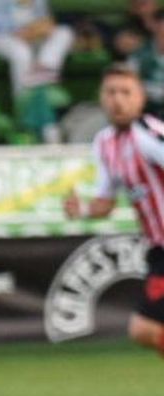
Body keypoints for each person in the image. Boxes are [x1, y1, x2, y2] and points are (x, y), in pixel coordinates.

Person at [64, 64, 164, 360]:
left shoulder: (149, 134)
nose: (118, 100)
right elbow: (105, 203)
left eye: (126, 92)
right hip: (158, 250)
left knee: (144, 328)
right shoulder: (105, 143)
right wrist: (81, 209)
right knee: (147, 331)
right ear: (101, 98)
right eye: (111, 92)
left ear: (140, 98)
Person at [0, 0, 75, 95]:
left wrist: (42, 28)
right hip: (2, 36)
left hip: (34, 33)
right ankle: (23, 102)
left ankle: (42, 73)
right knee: (22, 53)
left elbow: (44, 17)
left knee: (64, 33)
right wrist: (28, 31)